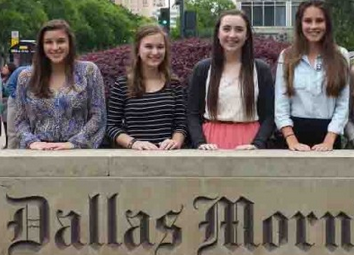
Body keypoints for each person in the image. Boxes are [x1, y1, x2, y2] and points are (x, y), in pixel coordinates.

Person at [187, 9, 274, 150]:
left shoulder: (260, 69)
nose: (232, 35)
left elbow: (269, 116)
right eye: (226, 29)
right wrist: (200, 143)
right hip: (211, 142)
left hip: (249, 142)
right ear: (218, 33)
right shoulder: (203, 69)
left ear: (246, 35)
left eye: (239, 30)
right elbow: (192, 114)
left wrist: (257, 144)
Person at [15, 19, 106, 150]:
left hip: (77, 153)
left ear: (70, 43)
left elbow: (98, 115)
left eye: (61, 41)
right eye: (48, 42)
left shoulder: (89, 72)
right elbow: (20, 120)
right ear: (41, 46)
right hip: (39, 152)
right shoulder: (26, 77)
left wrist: (74, 143)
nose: (55, 47)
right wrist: (32, 142)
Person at [275, 0, 350, 151]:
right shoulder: (287, 56)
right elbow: (280, 103)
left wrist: (329, 141)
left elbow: (343, 104)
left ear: (327, 24)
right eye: (308, 21)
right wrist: (292, 141)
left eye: (319, 21)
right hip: (293, 137)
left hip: (329, 136)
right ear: (300, 24)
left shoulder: (341, 55)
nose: (313, 26)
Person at [106, 24, 187, 150]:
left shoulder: (174, 84)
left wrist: (175, 142)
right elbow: (111, 126)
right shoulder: (123, 84)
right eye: (148, 46)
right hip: (134, 157)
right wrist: (134, 143)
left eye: (160, 47)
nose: (155, 52)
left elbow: (181, 124)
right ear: (138, 49)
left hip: (167, 156)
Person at [6, 65, 30, 149]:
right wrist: (19, 98)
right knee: (13, 133)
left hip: (30, 102)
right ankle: (11, 156)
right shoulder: (21, 70)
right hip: (15, 101)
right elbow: (9, 86)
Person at [1, 62, 17, 147]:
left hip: (8, 105)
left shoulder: (12, 79)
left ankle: (9, 145)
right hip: (4, 107)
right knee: (6, 125)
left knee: (10, 127)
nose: (3, 68)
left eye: (6, 67)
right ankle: (7, 143)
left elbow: (8, 92)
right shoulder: (3, 79)